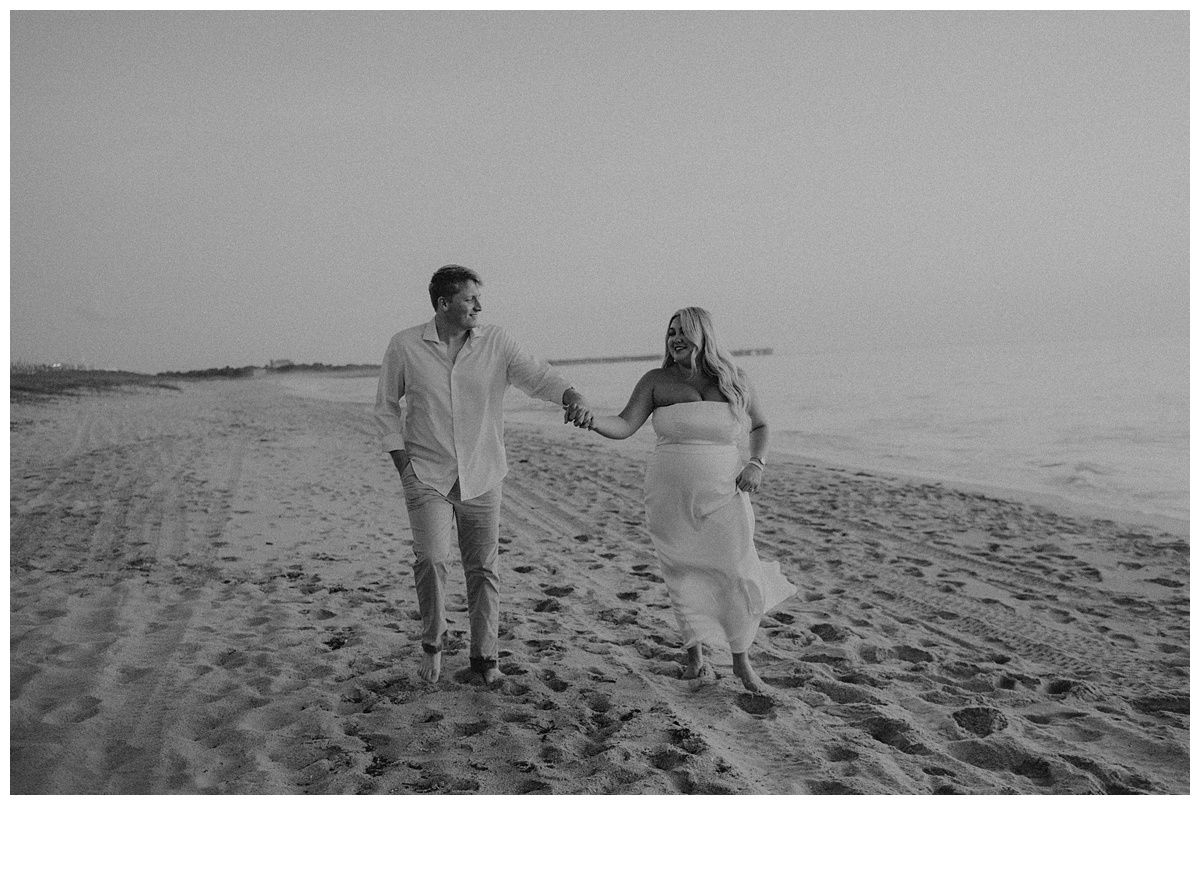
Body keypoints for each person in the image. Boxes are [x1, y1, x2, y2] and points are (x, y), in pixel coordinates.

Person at [375, 265, 594, 686]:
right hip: (426, 473)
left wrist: (572, 395)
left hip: (483, 471)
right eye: (469, 298)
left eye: (479, 297)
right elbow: (386, 406)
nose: (479, 304)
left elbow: (537, 376)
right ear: (443, 304)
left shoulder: (496, 342)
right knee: (432, 559)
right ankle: (433, 644)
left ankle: (484, 659)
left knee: (482, 568)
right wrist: (402, 463)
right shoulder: (404, 345)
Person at [579, 307, 796, 693]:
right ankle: (695, 657)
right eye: (670, 332)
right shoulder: (655, 381)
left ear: (703, 334)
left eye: (683, 332)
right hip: (669, 495)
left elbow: (761, 426)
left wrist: (757, 464)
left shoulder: (734, 380)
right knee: (682, 573)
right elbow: (625, 424)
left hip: (725, 492)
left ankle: (741, 662)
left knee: (735, 570)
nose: (674, 338)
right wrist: (593, 420)